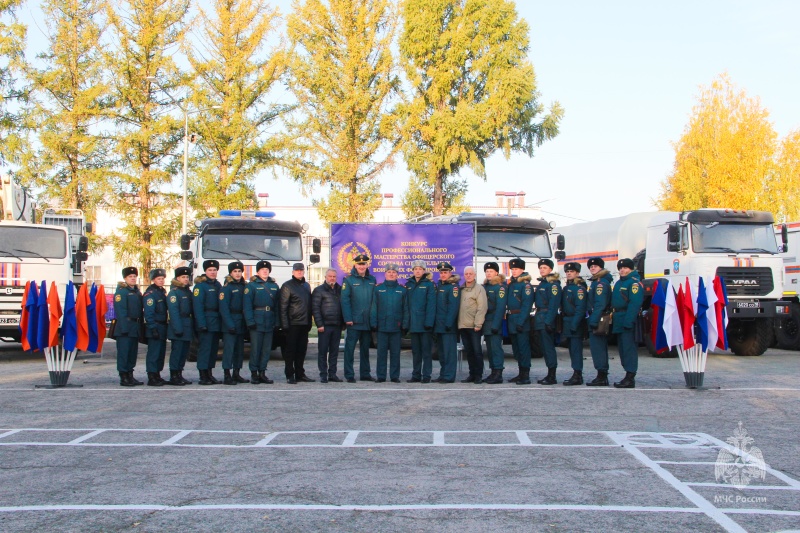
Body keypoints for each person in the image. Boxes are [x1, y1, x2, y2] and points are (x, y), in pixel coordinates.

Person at [340, 254, 376, 383]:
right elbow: (345, 301)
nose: (361, 266)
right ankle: (349, 374)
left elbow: (374, 302)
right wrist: (348, 318)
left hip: (366, 322)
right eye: (359, 264)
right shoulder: (348, 281)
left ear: (367, 265)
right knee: (349, 350)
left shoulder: (372, 280)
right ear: (355, 265)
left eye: (364, 264)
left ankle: (365, 373)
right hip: (353, 321)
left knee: (365, 350)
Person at [243, 260, 280, 385]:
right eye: (262, 269)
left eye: (267, 269)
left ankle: (262, 372)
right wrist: (250, 321)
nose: (265, 271)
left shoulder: (274, 286)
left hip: (269, 320)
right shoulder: (251, 286)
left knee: (266, 349)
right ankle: (254, 373)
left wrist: (277, 321)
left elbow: (277, 306)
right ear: (257, 271)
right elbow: (247, 306)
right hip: (257, 320)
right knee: (256, 348)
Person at [370, 263, 408, 383]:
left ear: (397, 275)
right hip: (382, 326)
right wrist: (373, 323)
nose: (391, 274)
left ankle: (394, 376)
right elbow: (374, 307)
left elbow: (405, 309)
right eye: (389, 272)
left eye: (394, 272)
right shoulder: (378, 289)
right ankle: (381, 376)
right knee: (381, 353)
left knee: (395, 353)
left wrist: (405, 325)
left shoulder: (402, 290)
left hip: (396, 327)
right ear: (385, 274)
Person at [611, 258, 644, 388]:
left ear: (631, 269)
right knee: (622, 349)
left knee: (629, 349)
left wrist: (629, 321)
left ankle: (630, 376)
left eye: (625, 268)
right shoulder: (620, 282)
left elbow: (634, 304)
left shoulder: (634, 283)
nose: (622, 270)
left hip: (626, 319)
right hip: (619, 319)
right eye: (620, 268)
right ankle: (627, 373)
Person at [280, 262, 313, 384]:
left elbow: (309, 305)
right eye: (297, 270)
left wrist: (309, 322)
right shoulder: (287, 286)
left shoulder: (306, 286)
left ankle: (300, 373)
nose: (299, 272)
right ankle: (290, 374)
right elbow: (283, 307)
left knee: (301, 350)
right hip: (292, 324)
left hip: (304, 323)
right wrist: (285, 325)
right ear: (293, 272)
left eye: (301, 270)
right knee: (290, 351)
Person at [405, 259, 436, 383]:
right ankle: (416, 375)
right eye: (415, 269)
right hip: (413, 324)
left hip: (425, 325)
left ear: (424, 271)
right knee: (416, 352)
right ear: (413, 271)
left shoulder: (429, 285)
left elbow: (431, 305)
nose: (418, 271)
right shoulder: (409, 285)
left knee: (426, 352)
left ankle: (426, 375)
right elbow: (406, 305)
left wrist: (429, 322)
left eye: (420, 269)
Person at [193, 259, 223, 385]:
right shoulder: (200, 286)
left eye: (215, 270)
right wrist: (201, 323)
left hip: (216, 321)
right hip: (206, 320)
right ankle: (203, 374)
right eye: (210, 270)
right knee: (205, 349)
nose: (212, 272)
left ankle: (209, 373)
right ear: (205, 271)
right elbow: (197, 306)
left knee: (213, 350)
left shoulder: (218, 285)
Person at [506, 258, 535, 385]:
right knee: (516, 349)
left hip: (520, 320)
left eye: (516, 269)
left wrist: (521, 322)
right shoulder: (512, 283)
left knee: (523, 349)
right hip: (512, 319)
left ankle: (525, 375)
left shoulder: (525, 285)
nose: (514, 271)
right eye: (512, 269)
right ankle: (520, 373)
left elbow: (526, 305)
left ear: (522, 270)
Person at [312, 268, 344, 383]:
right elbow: (315, 309)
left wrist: (343, 323)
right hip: (324, 326)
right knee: (323, 351)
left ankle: (332, 374)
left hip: (337, 326)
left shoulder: (340, 290)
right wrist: (319, 324)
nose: (332, 278)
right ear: (325, 277)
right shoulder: (319, 290)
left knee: (334, 352)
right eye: (330, 276)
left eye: (334, 276)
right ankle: (323, 374)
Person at [533, 258, 562, 385]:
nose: (542, 270)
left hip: (546, 319)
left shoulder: (553, 285)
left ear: (550, 269)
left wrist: (549, 321)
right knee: (544, 348)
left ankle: (552, 375)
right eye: (540, 268)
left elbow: (553, 305)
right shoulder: (542, 283)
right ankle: (549, 373)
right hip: (540, 317)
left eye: (545, 267)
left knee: (548, 348)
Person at [219, 261, 247, 385]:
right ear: (230, 273)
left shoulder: (244, 286)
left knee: (239, 350)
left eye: (239, 271)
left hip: (241, 321)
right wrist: (229, 324)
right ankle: (227, 374)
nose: (237, 273)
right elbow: (223, 308)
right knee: (229, 350)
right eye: (235, 271)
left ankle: (236, 373)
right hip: (230, 321)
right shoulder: (226, 288)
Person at [114, 266, 143, 386]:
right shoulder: (121, 292)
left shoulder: (136, 292)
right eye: (130, 277)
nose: (133, 278)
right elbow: (121, 311)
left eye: (134, 276)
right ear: (125, 278)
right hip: (124, 328)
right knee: (124, 353)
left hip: (134, 327)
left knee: (132, 353)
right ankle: (124, 376)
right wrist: (125, 328)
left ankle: (130, 374)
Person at [586, 257, 613, 386]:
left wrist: (593, 320)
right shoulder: (596, 281)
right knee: (598, 347)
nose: (592, 268)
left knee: (598, 348)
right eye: (591, 267)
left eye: (595, 266)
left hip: (599, 318)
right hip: (597, 316)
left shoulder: (600, 283)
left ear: (601, 268)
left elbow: (600, 304)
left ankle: (602, 375)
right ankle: (601, 374)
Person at [458, 266, 487, 384]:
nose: (468, 275)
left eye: (470, 273)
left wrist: (478, 324)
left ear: (475, 275)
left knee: (477, 351)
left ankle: (478, 375)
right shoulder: (461, 289)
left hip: (474, 326)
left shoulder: (479, 289)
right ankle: (471, 374)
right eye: (466, 274)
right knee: (469, 352)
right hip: (463, 325)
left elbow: (482, 307)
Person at [433, 262, 460, 384]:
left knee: (449, 353)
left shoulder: (453, 287)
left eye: (445, 272)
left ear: (450, 273)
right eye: (441, 272)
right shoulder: (440, 286)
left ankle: (449, 376)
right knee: (442, 353)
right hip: (439, 325)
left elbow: (453, 307)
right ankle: (443, 374)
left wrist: (449, 323)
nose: (443, 275)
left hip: (448, 326)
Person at [561, 262, 587, 386]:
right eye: (567, 271)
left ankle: (578, 374)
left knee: (576, 350)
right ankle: (575, 372)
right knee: (571, 349)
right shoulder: (567, 288)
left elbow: (580, 309)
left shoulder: (579, 288)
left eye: (571, 271)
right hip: (567, 321)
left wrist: (574, 324)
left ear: (577, 273)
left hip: (574, 322)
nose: (569, 273)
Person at [166, 266, 193, 386]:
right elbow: (174, 311)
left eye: (187, 277)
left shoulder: (187, 291)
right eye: (183, 277)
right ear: (177, 278)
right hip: (178, 325)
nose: (186, 279)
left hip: (187, 325)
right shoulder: (174, 292)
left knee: (184, 352)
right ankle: (173, 375)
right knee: (177, 352)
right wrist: (178, 328)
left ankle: (179, 373)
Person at [481, 262, 507, 384]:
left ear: (496, 272)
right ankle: (493, 372)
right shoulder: (486, 286)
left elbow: (500, 307)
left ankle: (498, 373)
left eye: (491, 271)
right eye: (487, 271)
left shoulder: (499, 287)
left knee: (496, 349)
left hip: (494, 322)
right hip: (486, 322)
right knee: (490, 349)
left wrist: (496, 325)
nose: (488, 273)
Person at [143, 268, 168, 386]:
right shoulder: (150, 294)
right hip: (155, 326)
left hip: (162, 326)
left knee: (160, 353)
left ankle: (157, 374)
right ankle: (152, 376)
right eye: (159, 279)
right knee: (154, 352)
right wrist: (152, 328)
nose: (161, 281)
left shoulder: (162, 292)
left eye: (163, 279)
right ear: (153, 280)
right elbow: (149, 313)